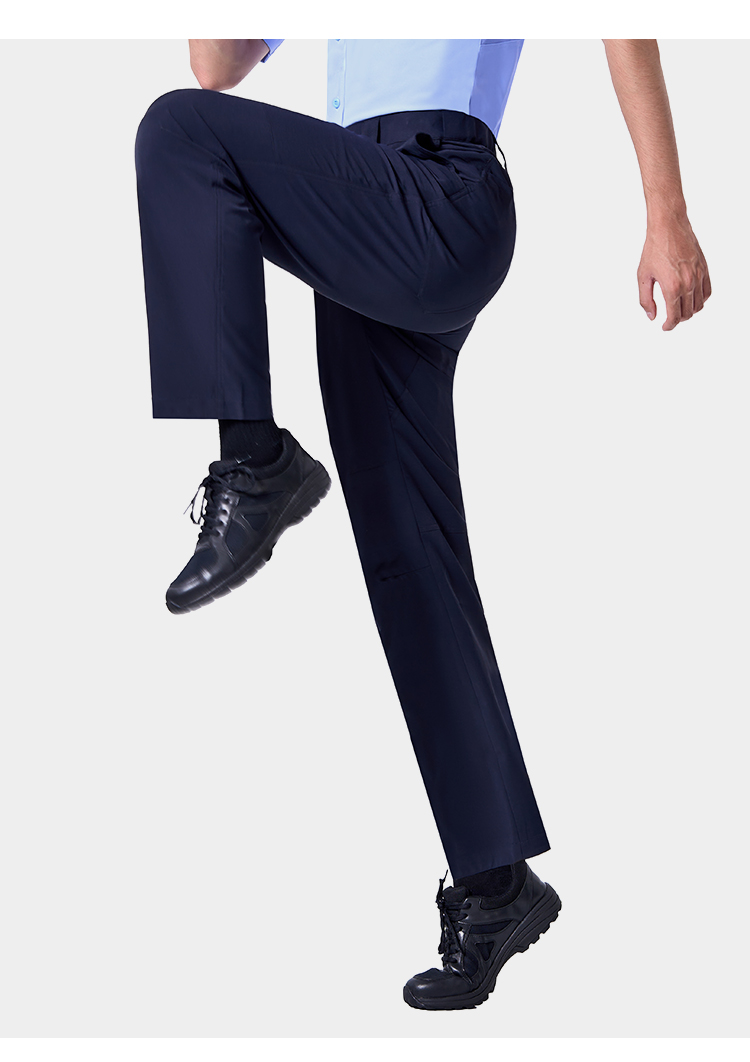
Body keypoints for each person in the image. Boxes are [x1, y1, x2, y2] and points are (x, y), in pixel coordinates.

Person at [133, 38, 711, 1011]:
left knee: (177, 135)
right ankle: (496, 884)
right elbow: (216, 66)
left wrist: (667, 211)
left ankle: (255, 460)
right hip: (358, 211)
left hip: (441, 192)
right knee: (408, 557)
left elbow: (624, 23)